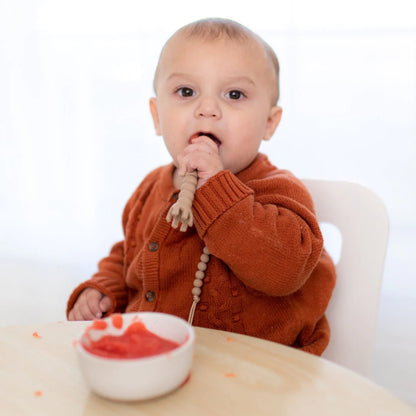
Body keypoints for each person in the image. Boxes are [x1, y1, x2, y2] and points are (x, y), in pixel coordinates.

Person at [67, 17, 336, 355]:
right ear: (156, 116)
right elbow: (130, 251)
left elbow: (286, 271)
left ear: (269, 122)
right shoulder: (151, 187)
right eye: (186, 92)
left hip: (257, 375)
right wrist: (104, 291)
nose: (207, 109)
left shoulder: (279, 191)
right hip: (157, 361)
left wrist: (216, 188)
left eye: (234, 94)